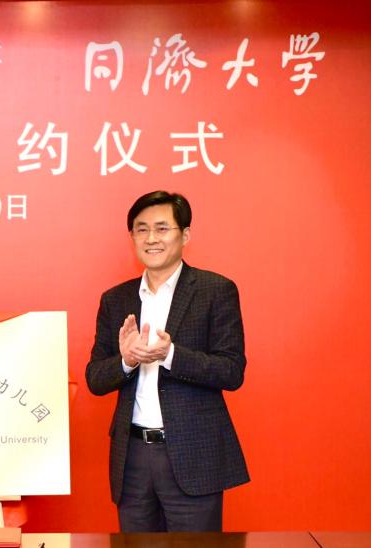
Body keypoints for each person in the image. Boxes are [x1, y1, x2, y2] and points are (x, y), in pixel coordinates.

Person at [85, 190, 248, 532]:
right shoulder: (116, 299)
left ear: (185, 235)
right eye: (141, 229)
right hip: (132, 459)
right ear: (132, 237)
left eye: (162, 228)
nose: (151, 238)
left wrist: (170, 355)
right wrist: (126, 360)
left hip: (193, 454)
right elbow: (95, 378)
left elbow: (231, 370)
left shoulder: (215, 290)